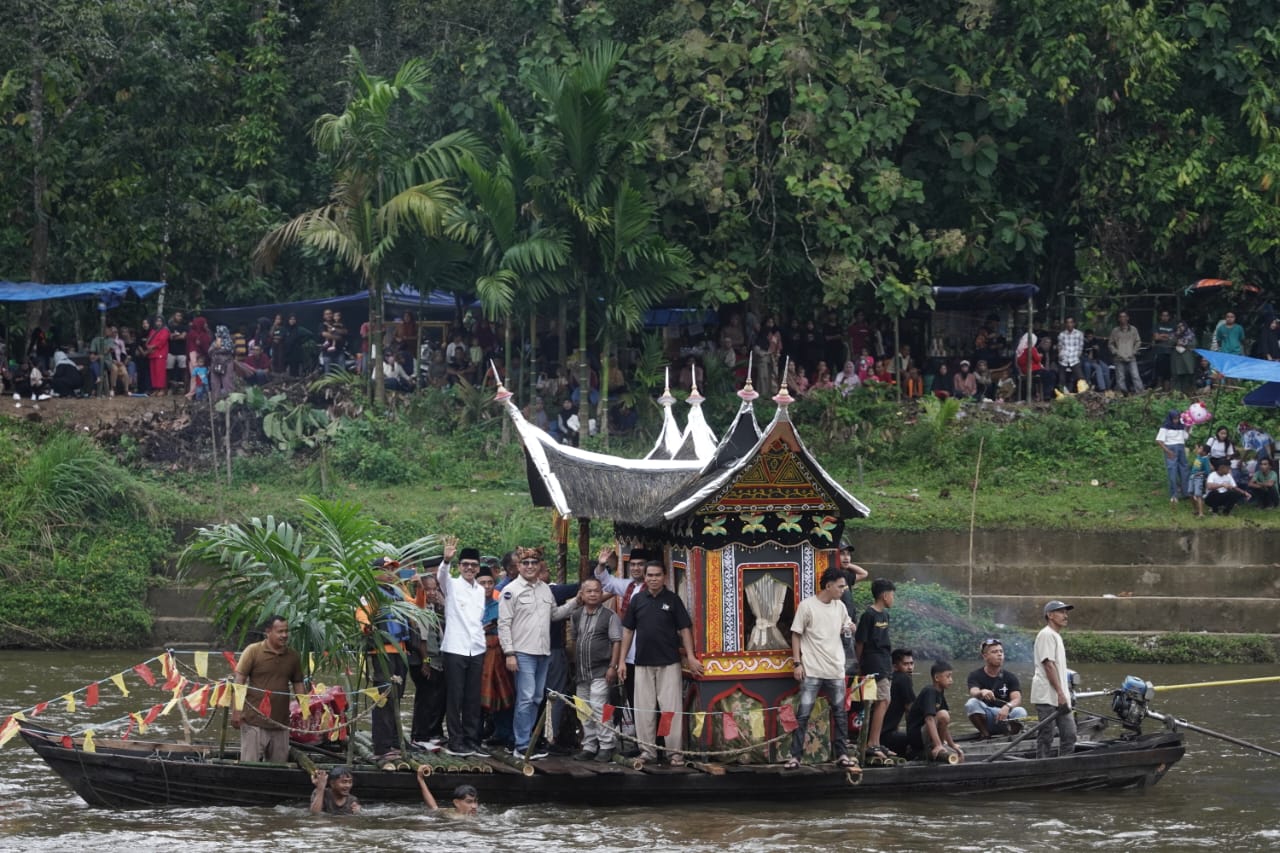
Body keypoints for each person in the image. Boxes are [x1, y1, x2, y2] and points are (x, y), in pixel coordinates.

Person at [619, 559, 704, 767]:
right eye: (650, 575)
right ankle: (647, 751)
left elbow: (685, 629)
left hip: (669, 662)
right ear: (645, 577)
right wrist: (621, 661)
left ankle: (673, 752)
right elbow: (628, 631)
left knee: (670, 709)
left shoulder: (673, 600)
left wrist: (691, 657)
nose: (653, 579)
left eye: (657, 575)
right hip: (642, 663)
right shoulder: (638, 600)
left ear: (664, 577)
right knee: (644, 709)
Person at [498, 547, 581, 760]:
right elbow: (504, 624)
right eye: (525, 563)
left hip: (543, 651)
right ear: (518, 566)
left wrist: (575, 602)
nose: (530, 567)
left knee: (536, 698)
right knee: (525, 698)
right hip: (522, 651)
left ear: (539, 566)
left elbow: (554, 615)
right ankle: (521, 744)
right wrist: (509, 652)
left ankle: (530, 741)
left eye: (534, 563)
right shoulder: (510, 590)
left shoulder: (545, 589)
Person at [785, 568, 857, 769]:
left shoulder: (840, 607)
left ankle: (842, 754)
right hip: (813, 669)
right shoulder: (807, 606)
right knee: (803, 713)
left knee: (840, 714)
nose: (844, 590)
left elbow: (848, 626)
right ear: (828, 585)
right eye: (841, 586)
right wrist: (797, 663)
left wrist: (850, 628)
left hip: (835, 669)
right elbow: (796, 634)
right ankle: (795, 756)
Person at [436, 537, 488, 757]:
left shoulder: (480, 590)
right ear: (459, 566)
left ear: (477, 568)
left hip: (476, 648)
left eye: (473, 565)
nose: (469, 568)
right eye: (465, 564)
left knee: (472, 697)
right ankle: (455, 740)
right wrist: (446, 560)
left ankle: (471, 739)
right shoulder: (452, 584)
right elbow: (441, 577)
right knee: (455, 697)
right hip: (455, 648)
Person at [233, 615, 306, 763]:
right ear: (268, 632)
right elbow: (239, 682)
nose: (284, 635)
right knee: (249, 766)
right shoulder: (253, 651)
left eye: (286, 631)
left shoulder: (293, 656)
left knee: (278, 768)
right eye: (280, 631)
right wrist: (236, 711)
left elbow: (298, 684)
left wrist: (306, 711)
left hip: (280, 723)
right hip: (254, 722)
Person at [569, 577, 623, 762]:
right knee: (583, 708)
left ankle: (607, 745)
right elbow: (575, 639)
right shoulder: (576, 615)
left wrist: (612, 667)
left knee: (600, 707)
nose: (593, 594)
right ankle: (589, 745)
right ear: (582, 594)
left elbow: (616, 642)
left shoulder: (610, 616)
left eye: (597, 591)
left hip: (602, 669)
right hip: (582, 672)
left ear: (602, 594)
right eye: (589, 591)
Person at [855, 578, 895, 760]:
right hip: (873, 660)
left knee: (885, 701)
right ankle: (872, 743)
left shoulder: (885, 615)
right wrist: (858, 664)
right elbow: (860, 642)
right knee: (882, 700)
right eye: (892, 595)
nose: (893, 598)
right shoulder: (868, 615)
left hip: (885, 660)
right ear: (884, 595)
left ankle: (875, 741)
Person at [1031, 600, 1077, 759]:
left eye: (1066, 612)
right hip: (1047, 695)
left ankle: (1064, 765)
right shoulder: (1046, 635)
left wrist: (1064, 693)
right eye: (1061, 612)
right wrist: (1060, 692)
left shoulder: (1056, 636)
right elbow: (1048, 665)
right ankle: (1041, 766)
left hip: (1060, 696)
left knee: (1070, 734)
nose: (1065, 616)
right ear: (1050, 615)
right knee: (1046, 735)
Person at [409, 572, 447, 749]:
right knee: (425, 698)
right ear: (420, 590)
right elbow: (422, 641)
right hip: (424, 661)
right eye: (427, 589)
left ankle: (429, 733)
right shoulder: (420, 609)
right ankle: (419, 736)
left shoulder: (433, 608)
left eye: (434, 588)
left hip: (435, 660)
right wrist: (427, 661)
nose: (431, 592)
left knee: (433, 698)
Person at [964, 638, 1028, 738]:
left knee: (1020, 711)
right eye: (994, 652)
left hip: (1006, 717)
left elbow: (1017, 698)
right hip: (988, 716)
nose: (999, 654)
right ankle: (985, 733)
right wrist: (982, 692)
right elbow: (973, 691)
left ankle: (1010, 736)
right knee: (971, 703)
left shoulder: (1010, 677)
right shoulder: (975, 675)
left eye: (1001, 651)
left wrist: (1007, 707)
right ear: (985, 656)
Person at [906, 660, 963, 762]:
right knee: (943, 715)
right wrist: (938, 745)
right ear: (937, 678)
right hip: (917, 737)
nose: (951, 680)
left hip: (926, 734)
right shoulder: (930, 691)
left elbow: (943, 725)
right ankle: (937, 745)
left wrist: (952, 744)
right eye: (948, 676)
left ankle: (939, 744)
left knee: (959, 756)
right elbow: (929, 719)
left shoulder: (940, 692)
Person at [880, 648, 915, 756]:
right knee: (920, 740)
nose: (910, 667)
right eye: (905, 664)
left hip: (879, 737)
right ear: (895, 666)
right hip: (886, 738)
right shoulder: (904, 679)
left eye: (911, 663)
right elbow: (911, 710)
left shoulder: (890, 679)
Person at [1157, 410, 1189, 506]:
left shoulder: (1181, 425)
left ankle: (1185, 492)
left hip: (1181, 447)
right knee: (1172, 472)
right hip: (1171, 449)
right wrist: (1167, 451)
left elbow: (1186, 437)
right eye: (1174, 418)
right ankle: (1174, 495)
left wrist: (1188, 427)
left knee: (1184, 470)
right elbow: (1159, 441)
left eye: (1177, 418)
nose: (1176, 420)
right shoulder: (1165, 427)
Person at [1109, 312, 1143, 394]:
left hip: (1131, 357)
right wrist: (1116, 352)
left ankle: (1141, 394)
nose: (1123, 318)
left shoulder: (1133, 329)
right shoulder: (1115, 331)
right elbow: (1110, 344)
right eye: (1121, 317)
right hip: (1119, 358)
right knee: (1120, 378)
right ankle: (1123, 395)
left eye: (1124, 317)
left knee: (1135, 376)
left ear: (1128, 318)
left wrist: (1134, 352)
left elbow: (1138, 342)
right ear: (1118, 319)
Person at [1058, 317, 1086, 391]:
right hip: (1064, 358)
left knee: (1081, 378)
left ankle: (1084, 394)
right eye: (1067, 322)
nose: (1069, 324)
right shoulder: (1061, 335)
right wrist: (1060, 355)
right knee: (1062, 379)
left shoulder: (1079, 334)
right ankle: (1062, 396)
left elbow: (1081, 347)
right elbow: (1060, 346)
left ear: (1074, 324)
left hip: (1074, 358)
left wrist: (1078, 356)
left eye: (1071, 322)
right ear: (1065, 324)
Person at [1151, 309, 1176, 390]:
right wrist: (1167, 336)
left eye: (1166, 315)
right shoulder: (1157, 325)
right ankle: (1159, 390)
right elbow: (1156, 337)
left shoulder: (1173, 326)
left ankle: (1167, 391)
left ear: (1169, 317)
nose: (1165, 317)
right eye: (1163, 315)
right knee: (1159, 373)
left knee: (1168, 374)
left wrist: (1162, 335)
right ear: (1160, 317)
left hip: (1170, 352)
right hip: (1159, 352)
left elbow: (1174, 338)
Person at [145, 316, 170, 396]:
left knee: (160, 372)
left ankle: (162, 389)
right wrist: (148, 347)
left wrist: (152, 346)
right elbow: (148, 340)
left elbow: (162, 341)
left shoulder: (165, 330)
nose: (158, 323)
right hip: (152, 353)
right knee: (153, 372)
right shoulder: (153, 331)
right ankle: (156, 389)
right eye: (157, 321)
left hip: (160, 353)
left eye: (160, 321)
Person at [1187, 442, 1211, 518]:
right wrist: (1197, 447)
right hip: (1192, 477)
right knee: (1190, 493)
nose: (1198, 449)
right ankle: (1195, 510)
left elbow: (1207, 471)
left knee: (1198, 494)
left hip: (1198, 478)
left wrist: (1198, 473)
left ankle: (1201, 513)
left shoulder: (1205, 459)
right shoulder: (1199, 456)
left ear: (1204, 452)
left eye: (1200, 448)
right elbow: (1197, 450)